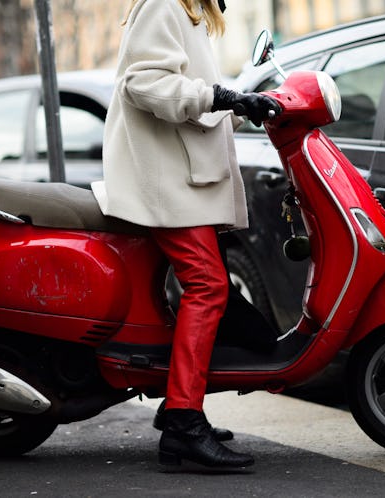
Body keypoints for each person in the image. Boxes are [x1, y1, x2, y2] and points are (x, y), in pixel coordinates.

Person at [91, 0, 280, 468]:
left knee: (202, 289)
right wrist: (224, 97)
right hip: (167, 183)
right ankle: (182, 422)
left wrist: (238, 105)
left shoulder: (189, 11)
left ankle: (181, 405)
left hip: (182, 178)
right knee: (209, 287)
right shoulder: (163, 4)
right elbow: (145, 84)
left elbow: (189, 96)